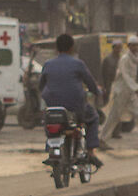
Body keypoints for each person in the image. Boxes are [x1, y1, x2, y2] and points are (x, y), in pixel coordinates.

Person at [37, 32, 103, 165]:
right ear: (72, 48)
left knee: (49, 122)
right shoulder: (78, 64)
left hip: (53, 108)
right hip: (75, 108)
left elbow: (40, 85)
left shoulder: (48, 64)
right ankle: (90, 152)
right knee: (93, 117)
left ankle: (51, 148)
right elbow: (91, 84)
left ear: (56, 48)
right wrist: (98, 91)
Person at [103, 40, 138, 140]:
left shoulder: (135, 59)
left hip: (130, 91)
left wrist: (137, 86)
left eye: (137, 45)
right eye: (133, 45)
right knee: (114, 115)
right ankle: (102, 138)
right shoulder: (124, 59)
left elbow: (135, 75)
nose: (135, 48)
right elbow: (125, 75)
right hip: (120, 90)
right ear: (129, 46)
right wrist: (136, 87)